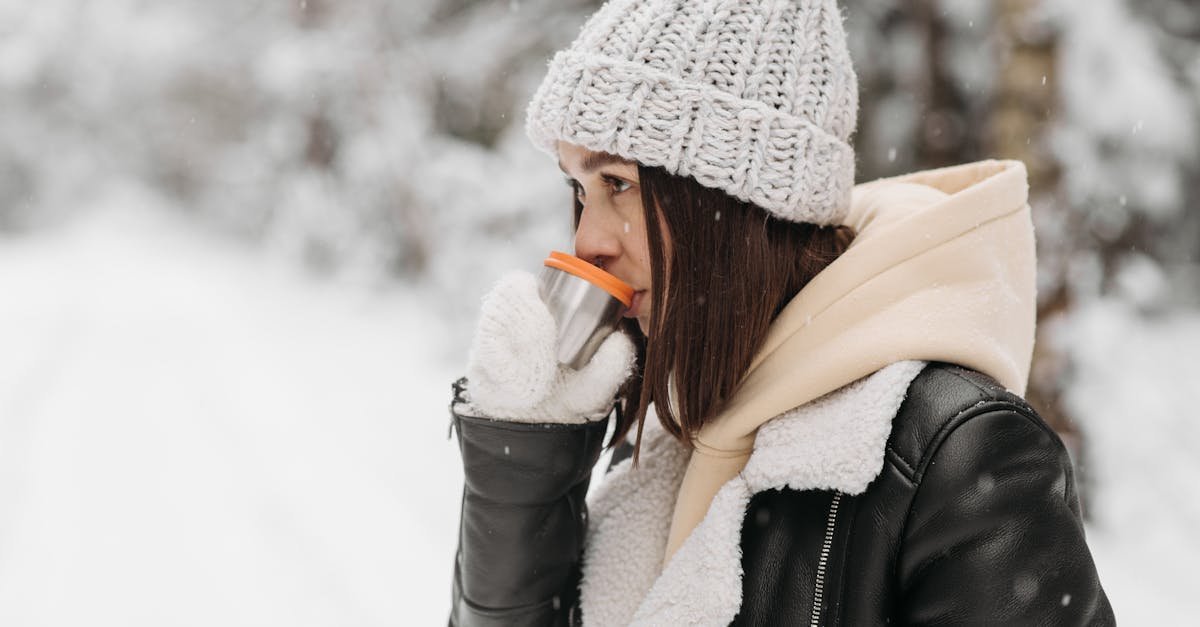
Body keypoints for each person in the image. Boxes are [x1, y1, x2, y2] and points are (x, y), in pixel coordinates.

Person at [446, 0, 1115, 624]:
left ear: (732, 201)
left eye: (617, 182)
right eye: (580, 187)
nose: (586, 240)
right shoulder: (672, 424)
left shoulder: (956, 456)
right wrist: (521, 474)